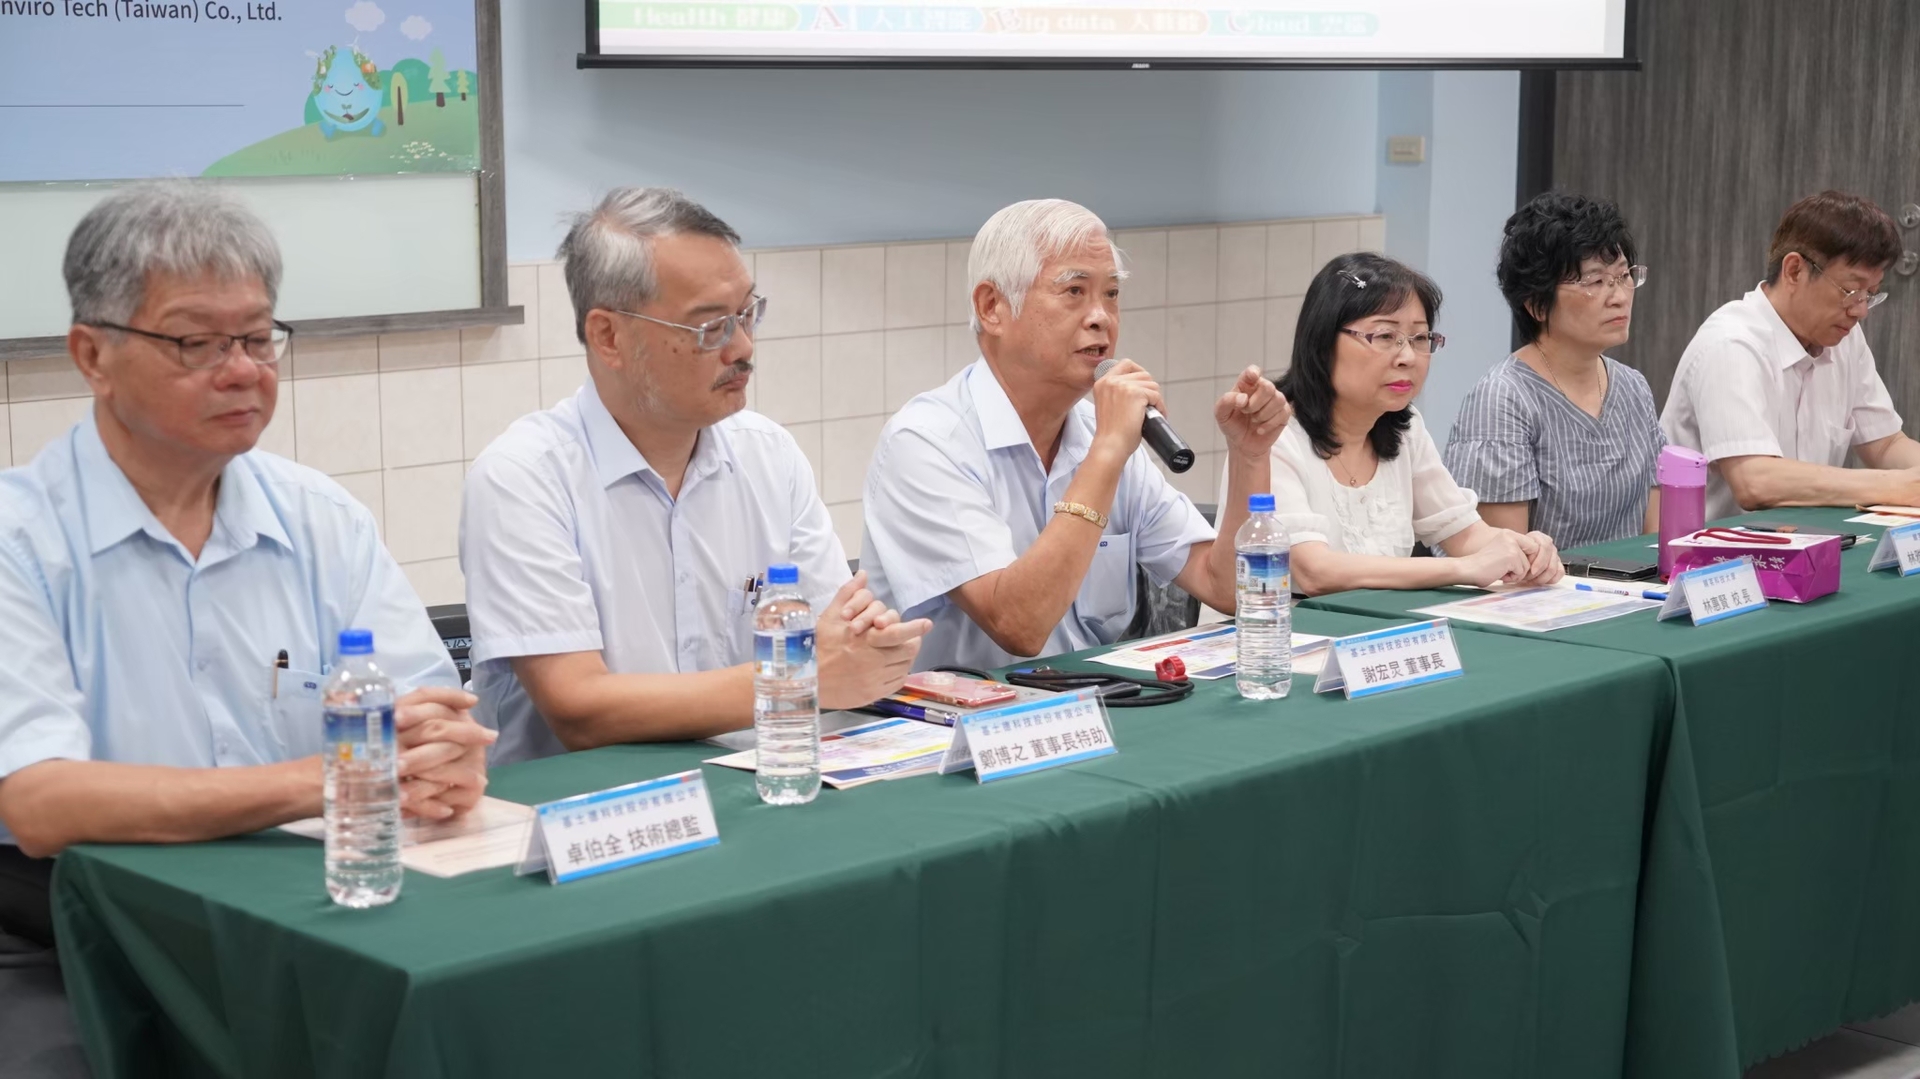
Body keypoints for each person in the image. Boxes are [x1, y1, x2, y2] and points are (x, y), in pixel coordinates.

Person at [0, 183, 492, 945]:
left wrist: (445, 760)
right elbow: (42, 802)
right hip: (80, 926)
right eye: (196, 343)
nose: (241, 371)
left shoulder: (321, 519)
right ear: (93, 356)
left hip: (310, 898)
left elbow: (427, 719)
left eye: (258, 338)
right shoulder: (21, 542)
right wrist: (339, 774)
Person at [460, 188, 928, 766]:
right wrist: (797, 674)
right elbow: (579, 709)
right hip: (594, 804)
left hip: (753, 780)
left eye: (748, 314)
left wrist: (864, 648)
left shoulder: (768, 454)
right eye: (710, 327)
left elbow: (835, 639)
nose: (743, 347)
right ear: (609, 337)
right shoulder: (523, 478)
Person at [861, 199, 1291, 672]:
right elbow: (1019, 625)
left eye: (1111, 293)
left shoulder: (1099, 433)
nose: (1101, 317)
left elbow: (1227, 588)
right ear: (992, 308)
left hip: (1092, 703)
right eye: (1074, 291)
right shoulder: (926, 442)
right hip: (961, 716)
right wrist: (1106, 453)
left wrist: (1250, 457)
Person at [1254, 253, 1564, 596]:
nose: (1407, 357)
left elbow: (1464, 534)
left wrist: (1524, 548)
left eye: (1419, 338)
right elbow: (1314, 571)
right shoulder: (1273, 435)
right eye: (1385, 336)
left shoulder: (1406, 429)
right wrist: (1462, 568)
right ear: (1324, 342)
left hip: (1382, 626)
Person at [1663, 190, 1920, 519]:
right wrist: (1895, 487)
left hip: (1804, 541)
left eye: (1870, 294)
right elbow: (1755, 481)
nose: (1861, 311)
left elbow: (1885, 444)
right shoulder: (1731, 344)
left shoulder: (1846, 339)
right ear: (1795, 271)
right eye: (1852, 290)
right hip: (1713, 548)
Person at [1446, 192, 1666, 547]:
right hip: (1537, 582)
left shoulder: (1633, 388)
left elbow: (1653, 540)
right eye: (1595, 281)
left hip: (1629, 581)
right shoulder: (1502, 400)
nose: (1620, 296)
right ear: (1537, 304)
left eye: (1624, 275)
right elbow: (1501, 558)